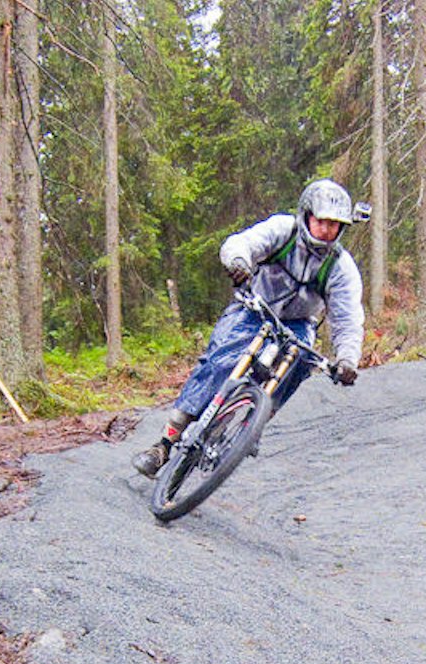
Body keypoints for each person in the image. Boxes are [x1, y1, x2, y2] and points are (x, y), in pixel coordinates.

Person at [132, 178, 367, 478]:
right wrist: (239, 261)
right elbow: (242, 243)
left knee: (301, 362)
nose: (326, 229)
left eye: (334, 224)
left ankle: (252, 425)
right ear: (306, 214)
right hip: (254, 306)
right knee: (218, 363)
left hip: (298, 323)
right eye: (321, 221)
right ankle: (165, 443)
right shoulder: (283, 230)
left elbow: (348, 319)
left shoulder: (340, 267)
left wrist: (347, 360)